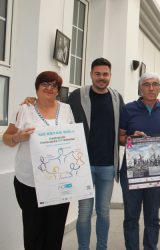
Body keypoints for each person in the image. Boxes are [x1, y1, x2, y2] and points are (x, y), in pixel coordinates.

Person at [2, 71, 74, 250]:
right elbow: (7, 138)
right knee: (34, 231)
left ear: (58, 90)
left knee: (55, 231)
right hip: (29, 181)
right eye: (45, 84)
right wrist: (18, 137)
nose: (49, 88)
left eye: (54, 85)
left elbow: (73, 139)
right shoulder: (23, 109)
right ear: (37, 87)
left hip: (59, 182)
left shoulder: (66, 110)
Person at [68, 57, 124, 250]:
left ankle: (102, 247)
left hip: (108, 166)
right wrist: (33, 100)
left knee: (104, 211)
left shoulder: (117, 98)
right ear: (91, 74)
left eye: (105, 74)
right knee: (84, 212)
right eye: (97, 74)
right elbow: (57, 111)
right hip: (82, 165)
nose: (102, 78)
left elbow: (123, 131)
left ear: (110, 75)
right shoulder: (76, 96)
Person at [119, 72, 160, 250]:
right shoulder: (128, 109)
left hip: (156, 172)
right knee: (131, 217)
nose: (151, 88)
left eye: (155, 84)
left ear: (159, 88)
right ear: (140, 88)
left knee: (152, 217)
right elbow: (120, 137)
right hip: (131, 172)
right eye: (147, 84)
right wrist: (130, 138)